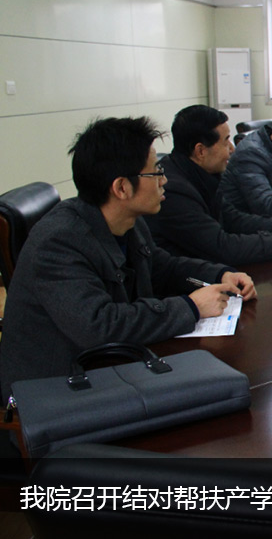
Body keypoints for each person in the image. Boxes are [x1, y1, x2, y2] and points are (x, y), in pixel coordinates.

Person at [0, 116, 257, 403]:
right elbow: (99, 326)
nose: (164, 180)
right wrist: (191, 307)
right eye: (156, 172)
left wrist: (219, 274)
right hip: (54, 393)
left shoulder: (126, 220)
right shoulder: (58, 242)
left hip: (110, 367)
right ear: (122, 188)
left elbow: (161, 266)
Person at [144, 105, 272, 266]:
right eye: (226, 141)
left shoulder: (205, 175)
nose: (232, 149)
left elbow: (233, 218)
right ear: (200, 151)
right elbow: (221, 247)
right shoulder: (174, 191)